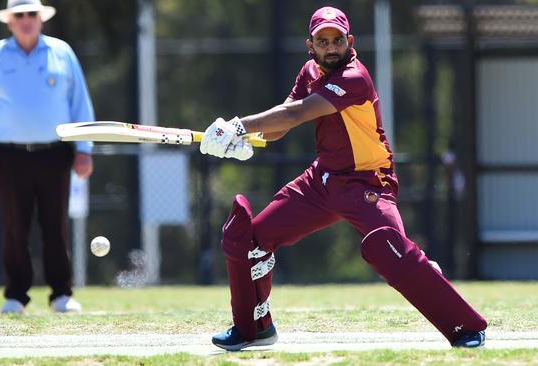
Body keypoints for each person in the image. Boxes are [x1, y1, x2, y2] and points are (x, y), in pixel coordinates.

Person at [200, 6, 487, 351]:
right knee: (250, 239)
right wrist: (241, 140)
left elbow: (299, 112)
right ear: (311, 45)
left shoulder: (354, 77)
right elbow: (283, 123)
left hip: (368, 184)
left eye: (337, 40)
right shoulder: (309, 71)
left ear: (349, 41)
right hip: (322, 181)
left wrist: (239, 126)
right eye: (323, 41)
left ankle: (465, 326)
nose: (331, 47)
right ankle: (254, 328)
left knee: (391, 250)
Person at [0, 0, 94, 314]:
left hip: (55, 153)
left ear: (40, 18)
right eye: (19, 15)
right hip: (9, 156)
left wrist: (84, 149)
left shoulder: (61, 53)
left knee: (56, 225)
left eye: (31, 14)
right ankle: (15, 295)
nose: (26, 20)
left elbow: (80, 103)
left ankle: (61, 294)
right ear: (10, 22)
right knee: (14, 227)